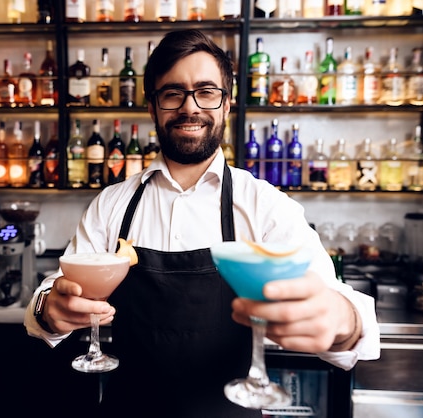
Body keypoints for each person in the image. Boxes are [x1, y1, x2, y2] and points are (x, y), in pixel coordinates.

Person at [25, 29, 380, 417]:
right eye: (173, 93)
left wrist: (341, 321)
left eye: (207, 92)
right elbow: (49, 300)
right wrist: (50, 309)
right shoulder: (112, 204)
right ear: (152, 108)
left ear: (226, 105)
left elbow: (347, 317)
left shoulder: (264, 205)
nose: (189, 107)